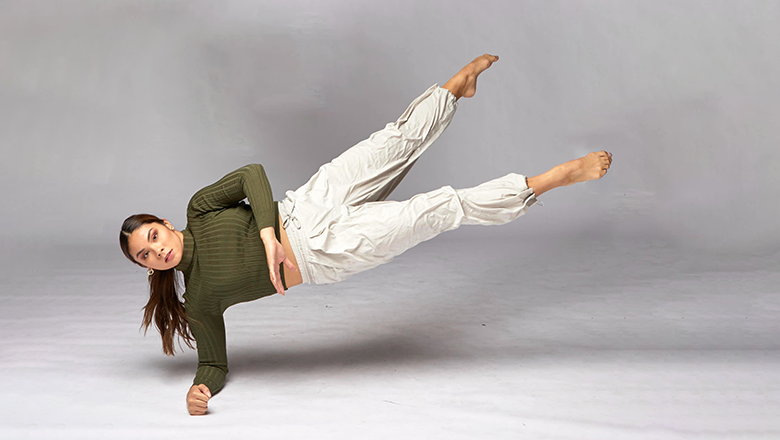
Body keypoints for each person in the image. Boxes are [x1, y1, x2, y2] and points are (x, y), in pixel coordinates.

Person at [119, 54, 613, 415]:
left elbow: (253, 173)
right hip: (322, 252)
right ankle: (545, 181)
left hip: (305, 203)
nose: (157, 251)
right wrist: (201, 388)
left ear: (164, 224)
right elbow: (213, 360)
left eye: (153, 237)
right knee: (435, 209)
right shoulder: (198, 298)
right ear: (146, 267)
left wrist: (268, 235)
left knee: (389, 144)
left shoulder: (199, 208)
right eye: (146, 255)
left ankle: (450, 91)